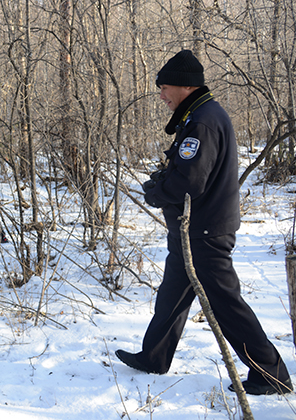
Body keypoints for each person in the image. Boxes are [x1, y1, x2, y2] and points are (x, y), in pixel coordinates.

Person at [115, 50, 293, 396]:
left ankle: (270, 373)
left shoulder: (203, 120)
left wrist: (156, 191)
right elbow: (186, 171)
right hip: (192, 229)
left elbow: (190, 182)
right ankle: (154, 357)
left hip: (205, 231)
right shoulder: (198, 115)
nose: (162, 96)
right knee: (171, 296)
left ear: (184, 86)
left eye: (164, 88)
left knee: (226, 304)